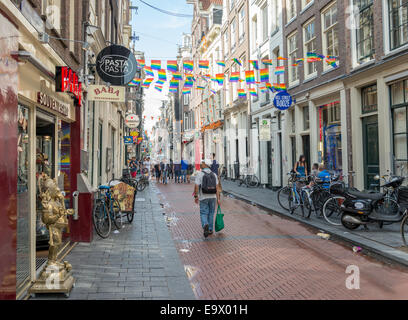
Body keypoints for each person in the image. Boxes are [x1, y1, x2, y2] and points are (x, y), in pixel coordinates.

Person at [193, 159, 221, 238]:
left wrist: (196, 196)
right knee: (211, 213)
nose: (201, 164)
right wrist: (218, 199)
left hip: (203, 196)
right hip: (213, 197)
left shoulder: (200, 174)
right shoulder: (214, 174)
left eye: (202, 162)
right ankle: (210, 229)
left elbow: (196, 186)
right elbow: (217, 188)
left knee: (203, 212)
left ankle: (205, 224)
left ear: (205, 164)